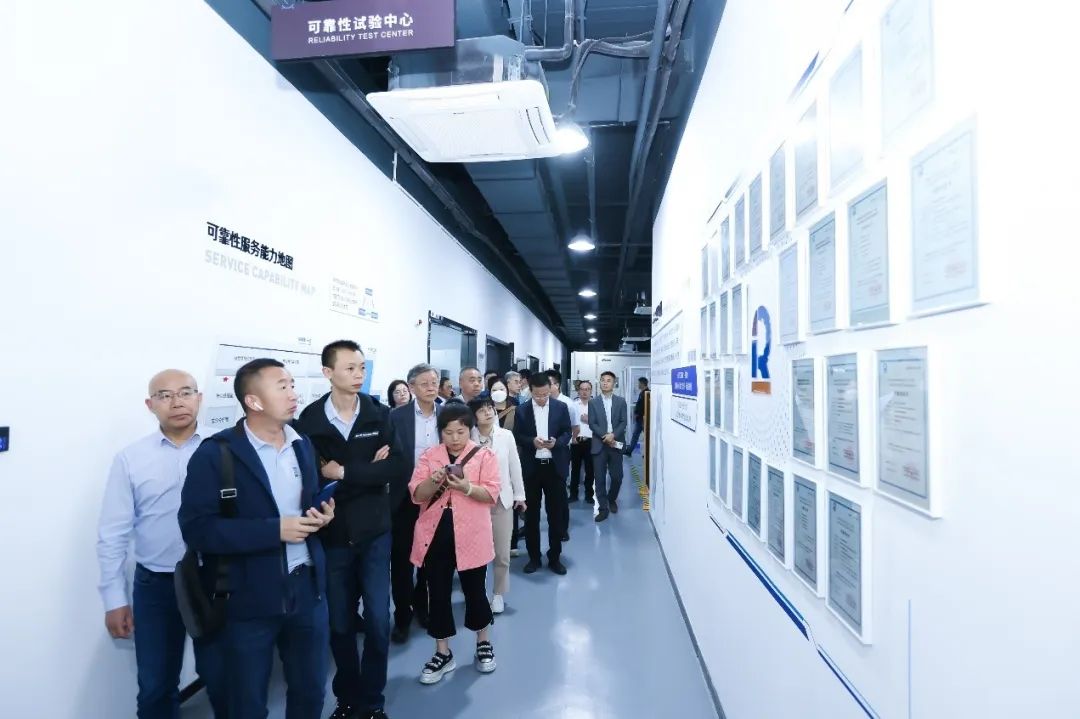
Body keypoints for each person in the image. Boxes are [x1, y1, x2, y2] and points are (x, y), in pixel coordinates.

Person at [179, 358, 335, 719]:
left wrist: (323, 514)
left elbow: (306, 502)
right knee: (246, 702)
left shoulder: (301, 445)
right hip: (247, 598)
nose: (293, 393)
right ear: (254, 401)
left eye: (292, 384)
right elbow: (197, 529)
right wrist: (274, 530)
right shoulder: (217, 454)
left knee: (311, 691)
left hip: (307, 590)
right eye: (282, 386)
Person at [96, 370, 227, 719]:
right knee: (155, 686)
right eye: (165, 395)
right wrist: (114, 599)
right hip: (157, 585)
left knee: (224, 679)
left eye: (185, 392)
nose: (177, 402)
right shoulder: (131, 458)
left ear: (199, 398)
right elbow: (113, 531)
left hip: (216, 581)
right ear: (150, 404)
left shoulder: (225, 448)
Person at [294, 341, 402, 719]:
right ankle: (348, 698)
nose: (359, 375)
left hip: (375, 532)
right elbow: (311, 478)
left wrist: (343, 472)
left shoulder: (378, 414)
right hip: (333, 534)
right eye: (350, 369)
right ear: (328, 373)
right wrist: (369, 472)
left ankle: (372, 701)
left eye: (362, 368)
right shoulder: (309, 421)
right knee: (339, 623)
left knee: (378, 621)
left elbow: (396, 468)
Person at [408, 403, 501, 684]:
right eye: (448, 432)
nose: (455, 438)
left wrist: (466, 488)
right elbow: (417, 495)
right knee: (437, 593)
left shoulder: (484, 455)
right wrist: (434, 481)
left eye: (460, 431)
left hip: (472, 533)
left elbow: (492, 494)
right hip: (435, 534)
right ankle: (443, 652)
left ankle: (483, 642)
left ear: (469, 429)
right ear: (441, 432)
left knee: (475, 591)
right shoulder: (429, 456)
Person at [388, 363, 442, 643]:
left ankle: (423, 606)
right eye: (425, 383)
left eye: (434, 382)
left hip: (438, 497)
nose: (431, 387)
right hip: (404, 498)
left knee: (430, 559)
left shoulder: (447, 414)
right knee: (402, 560)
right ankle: (402, 616)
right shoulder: (395, 417)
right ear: (411, 387)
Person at [468, 398, 526, 614]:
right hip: (474, 501)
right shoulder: (468, 436)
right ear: (474, 416)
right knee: (476, 551)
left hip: (502, 500)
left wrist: (520, 495)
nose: (488, 413)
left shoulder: (506, 435)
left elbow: (514, 466)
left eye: (490, 409)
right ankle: (477, 592)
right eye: (482, 410)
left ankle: (498, 593)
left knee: (502, 552)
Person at [513, 372, 572, 575]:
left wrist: (557, 442)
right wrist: (531, 441)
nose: (541, 398)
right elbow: (517, 436)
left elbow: (567, 432)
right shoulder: (521, 410)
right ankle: (534, 558)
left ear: (551, 389)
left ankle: (554, 558)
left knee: (555, 516)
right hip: (532, 469)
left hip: (554, 468)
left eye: (545, 394)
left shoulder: (560, 407)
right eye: (537, 395)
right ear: (530, 391)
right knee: (531, 516)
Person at [589, 371, 629, 523]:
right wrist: (605, 436)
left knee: (617, 477)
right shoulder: (593, 402)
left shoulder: (621, 401)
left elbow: (623, 422)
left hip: (615, 444)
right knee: (599, 478)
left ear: (614, 383)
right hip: (599, 444)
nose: (605, 383)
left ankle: (611, 499)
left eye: (608, 380)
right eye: (603, 380)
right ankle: (603, 508)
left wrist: (613, 435)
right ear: (600, 383)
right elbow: (592, 423)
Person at [547, 370, 578, 541]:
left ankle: (562, 528)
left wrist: (561, 443)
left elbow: (574, 428)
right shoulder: (537, 402)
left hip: (560, 453)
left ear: (556, 385)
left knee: (560, 493)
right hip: (540, 455)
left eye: (548, 383)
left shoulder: (567, 404)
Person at [569, 379, 596, 504]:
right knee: (575, 469)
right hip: (576, 440)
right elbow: (568, 423)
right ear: (578, 391)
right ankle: (573, 494)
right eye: (582, 389)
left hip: (591, 441)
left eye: (587, 389)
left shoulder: (596, 405)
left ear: (591, 391)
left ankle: (589, 495)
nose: (585, 392)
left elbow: (601, 424)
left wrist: (589, 420)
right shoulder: (573, 405)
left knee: (590, 470)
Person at [624, 377, 649, 456]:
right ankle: (629, 451)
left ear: (642, 384)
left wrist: (638, 414)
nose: (638, 385)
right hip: (640, 419)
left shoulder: (647, 393)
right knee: (636, 435)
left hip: (643, 419)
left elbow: (644, 407)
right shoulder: (642, 393)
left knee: (646, 437)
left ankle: (646, 454)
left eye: (639, 383)